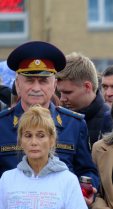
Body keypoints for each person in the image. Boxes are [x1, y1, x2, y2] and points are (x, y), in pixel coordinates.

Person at [0, 41, 99, 189]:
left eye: (43, 81)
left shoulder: (74, 124)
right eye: (29, 81)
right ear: (18, 84)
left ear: (54, 85)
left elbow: (87, 171)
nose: (36, 88)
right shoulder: (2, 124)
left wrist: (86, 191)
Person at [56, 52, 110, 148]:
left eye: (68, 92)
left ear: (87, 87)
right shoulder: (60, 119)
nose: (62, 99)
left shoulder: (111, 120)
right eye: (60, 92)